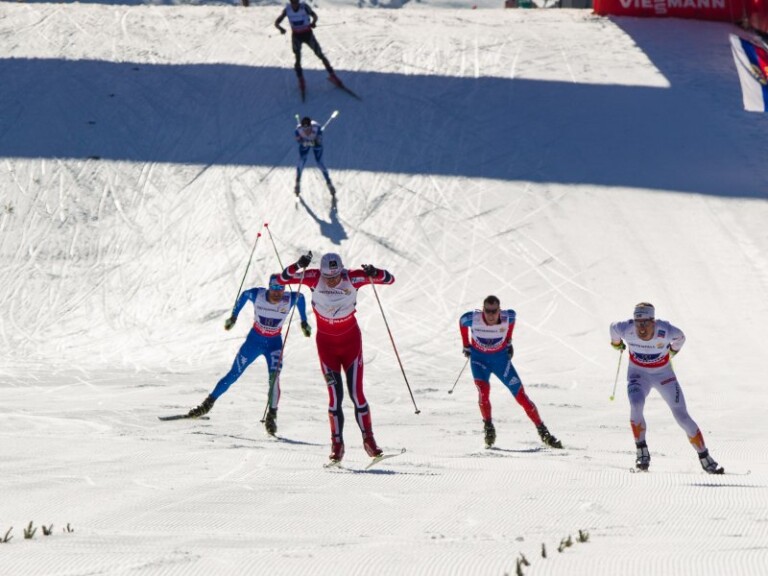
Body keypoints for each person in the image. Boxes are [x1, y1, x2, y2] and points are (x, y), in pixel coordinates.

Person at [278, 251, 394, 463]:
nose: (331, 281)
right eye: (327, 277)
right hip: (327, 347)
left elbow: (389, 279)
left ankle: (369, 441)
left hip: (351, 344)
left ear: (341, 271)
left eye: (335, 277)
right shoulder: (314, 277)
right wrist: (297, 265)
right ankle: (337, 445)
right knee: (334, 397)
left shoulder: (353, 278)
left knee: (357, 394)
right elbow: (282, 279)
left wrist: (374, 272)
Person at [186, 274, 311, 435]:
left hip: (274, 345)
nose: (277, 293)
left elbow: (301, 298)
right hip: (254, 342)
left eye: (280, 289)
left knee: (274, 378)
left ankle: (272, 416)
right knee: (234, 374)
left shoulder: (290, 298)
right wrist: (234, 316)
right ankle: (207, 404)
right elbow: (245, 294)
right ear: (269, 287)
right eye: (274, 288)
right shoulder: (258, 295)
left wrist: (304, 321)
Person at [610, 302, 723, 474]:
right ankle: (641, 451)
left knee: (682, 416)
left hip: (664, 376)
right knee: (636, 404)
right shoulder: (626, 328)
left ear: (653, 321)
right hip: (638, 375)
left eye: (645, 323)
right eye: (638, 323)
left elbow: (681, 337)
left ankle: (705, 457)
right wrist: (616, 343)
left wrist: (672, 351)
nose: (641, 328)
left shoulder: (666, 330)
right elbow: (613, 329)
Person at [459, 295, 562, 450]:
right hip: (479, 361)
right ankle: (488, 427)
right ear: (483, 310)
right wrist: (466, 345)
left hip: (501, 362)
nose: (491, 315)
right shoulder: (473, 319)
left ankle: (543, 432)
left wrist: (508, 341)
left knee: (521, 396)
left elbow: (512, 320)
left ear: (499, 310)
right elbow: (462, 321)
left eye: (494, 311)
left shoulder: (508, 317)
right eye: (487, 311)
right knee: (483, 392)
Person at [275, 0, 340, 97]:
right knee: (297, 58)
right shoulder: (287, 10)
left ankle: (332, 75)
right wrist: (281, 29)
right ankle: (301, 80)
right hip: (296, 36)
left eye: (296, 2)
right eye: (293, 2)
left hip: (308, 35)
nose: (294, 4)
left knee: (320, 55)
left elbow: (315, 15)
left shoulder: (304, 7)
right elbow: (276, 23)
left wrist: (314, 22)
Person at [294, 116, 335, 197]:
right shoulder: (298, 130)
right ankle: (297, 181)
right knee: (301, 161)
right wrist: (303, 142)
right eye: (304, 129)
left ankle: (328, 182)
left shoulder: (317, 127)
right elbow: (298, 140)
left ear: (311, 126)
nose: (306, 131)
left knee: (319, 163)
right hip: (305, 144)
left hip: (316, 145)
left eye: (308, 128)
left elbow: (319, 141)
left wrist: (314, 142)